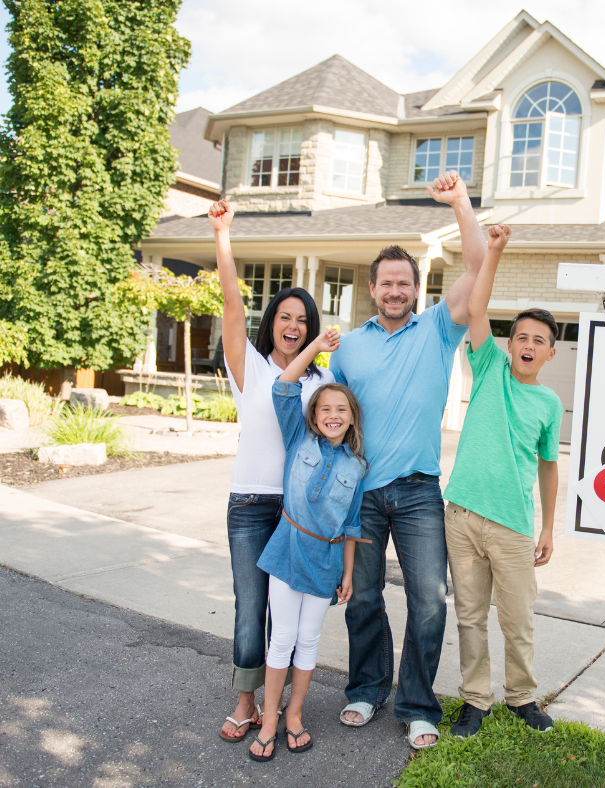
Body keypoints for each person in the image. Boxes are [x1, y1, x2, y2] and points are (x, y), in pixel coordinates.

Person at [329, 170, 486, 749]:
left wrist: (462, 203)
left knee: (428, 601)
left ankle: (417, 703)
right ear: (373, 289)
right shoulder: (348, 345)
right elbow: (331, 419)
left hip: (420, 491)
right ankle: (367, 690)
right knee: (363, 599)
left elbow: (473, 268)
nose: (395, 291)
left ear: (416, 289)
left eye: (404, 283)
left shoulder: (439, 331)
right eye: (386, 283)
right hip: (362, 493)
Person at [210, 199, 336, 743]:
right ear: (273, 325)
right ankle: (245, 702)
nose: (292, 326)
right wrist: (223, 237)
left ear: (311, 330)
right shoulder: (251, 369)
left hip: (295, 516)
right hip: (248, 505)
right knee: (250, 607)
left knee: (285, 619)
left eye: (302, 320)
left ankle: (278, 703)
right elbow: (232, 307)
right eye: (285, 318)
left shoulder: (316, 383)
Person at [443, 224, 562, 738]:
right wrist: (494, 250)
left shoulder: (549, 404)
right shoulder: (488, 365)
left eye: (540, 340)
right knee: (470, 617)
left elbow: (549, 465)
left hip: (514, 525)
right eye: (522, 337)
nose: (529, 345)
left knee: (518, 621)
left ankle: (522, 698)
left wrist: (549, 528)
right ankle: (475, 699)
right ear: (508, 344)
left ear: (551, 353)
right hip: (463, 515)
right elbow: (475, 309)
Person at [248, 335, 369, 762]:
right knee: (281, 638)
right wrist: (317, 345)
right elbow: (284, 386)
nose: (333, 415)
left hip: (326, 561)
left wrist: (348, 574)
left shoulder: (357, 466)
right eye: (325, 409)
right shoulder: (298, 436)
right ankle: (268, 722)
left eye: (341, 410)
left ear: (352, 418)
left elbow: (352, 524)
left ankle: (295, 716)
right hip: (287, 548)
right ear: (314, 416)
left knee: (309, 638)